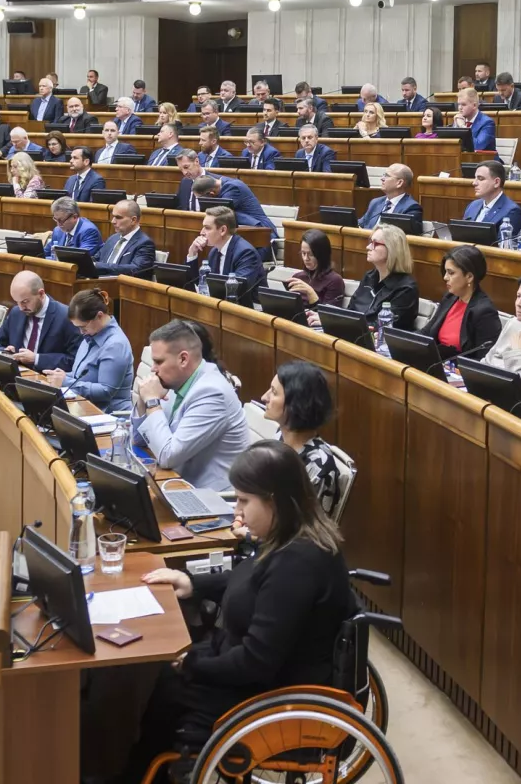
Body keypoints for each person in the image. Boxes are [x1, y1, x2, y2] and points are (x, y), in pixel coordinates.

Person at [128, 440, 351, 778]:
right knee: (161, 683)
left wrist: (194, 663)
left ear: (274, 501)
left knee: (167, 691)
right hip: (257, 666)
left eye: (245, 501)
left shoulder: (297, 565)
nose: (238, 512)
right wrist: (193, 583)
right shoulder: (290, 538)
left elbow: (254, 663)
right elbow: (250, 582)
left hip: (275, 693)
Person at [134, 320, 253, 490]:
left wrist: (152, 402)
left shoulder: (212, 392)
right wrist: (143, 398)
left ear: (183, 359)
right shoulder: (179, 381)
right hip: (178, 485)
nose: (153, 369)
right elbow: (139, 440)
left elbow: (168, 456)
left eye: (159, 362)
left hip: (212, 503)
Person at [259, 363, 344, 518]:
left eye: (274, 392)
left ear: (296, 404)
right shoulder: (280, 438)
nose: (264, 397)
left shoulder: (318, 464)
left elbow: (303, 532)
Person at [42, 290, 132, 414]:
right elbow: (82, 376)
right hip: (84, 407)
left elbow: (106, 391)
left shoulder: (115, 345)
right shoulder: (91, 334)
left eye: (83, 327)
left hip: (109, 416)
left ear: (99, 316)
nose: (81, 332)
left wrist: (66, 381)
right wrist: (58, 376)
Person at [0, 270, 78, 371]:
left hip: (46, 379)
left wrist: (37, 359)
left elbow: (74, 360)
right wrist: (5, 353)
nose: (21, 308)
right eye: (17, 302)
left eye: (25, 302)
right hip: (17, 374)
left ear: (41, 294)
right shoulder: (16, 313)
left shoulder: (65, 316)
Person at [421, 245, 501, 358]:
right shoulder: (449, 298)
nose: (445, 277)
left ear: (469, 277)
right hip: (435, 363)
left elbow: (483, 359)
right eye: (445, 272)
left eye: (451, 273)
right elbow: (426, 332)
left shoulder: (484, 312)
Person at [341, 225, 420, 331]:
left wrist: (347, 324)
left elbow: (385, 327)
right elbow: (351, 310)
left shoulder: (406, 289)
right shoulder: (368, 277)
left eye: (375, 243)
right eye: (370, 242)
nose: (368, 247)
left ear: (392, 249)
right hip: (354, 335)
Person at [186, 205, 266, 300]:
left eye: (207, 228)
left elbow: (236, 290)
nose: (201, 232)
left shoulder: (245, 253)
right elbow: (199, 283)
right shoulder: (214, 251)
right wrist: (192, 253)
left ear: (223, 230)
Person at [459, 160, 521, 235]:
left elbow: (504, 245)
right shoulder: (473, 205)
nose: (474, 183)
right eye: (475, 178)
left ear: (496, 182)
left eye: (480, 179)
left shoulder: (512, 211)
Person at [283, 230, 345, 307]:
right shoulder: (298, 277)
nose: (306, 258)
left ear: (322, 254)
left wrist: (310, 293)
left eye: (311, 254)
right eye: (303, 253)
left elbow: (328, 316)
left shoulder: (334, 281)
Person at [359, 164, 422, 229]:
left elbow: (404, 235)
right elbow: (361, 224)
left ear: (399, 183)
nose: (382, 179)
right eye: (383, 175)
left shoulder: (411, 208)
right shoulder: (375, 202)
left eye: (387, 176)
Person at [39, 196, 103, 255]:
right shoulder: (57, 230)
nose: (58, 224)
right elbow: (45, 253)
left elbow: (81, 258)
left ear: (75, 217)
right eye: (56, 219)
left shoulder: (89, 231)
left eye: (61, 220)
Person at [452, 87, 496, 153]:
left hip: (484, 161)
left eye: (463, 104)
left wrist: (462, 127)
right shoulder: (459, 120)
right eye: (458, 104)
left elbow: (478, 146)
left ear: (474, 105)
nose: (460, 108)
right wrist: (456, 125)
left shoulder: (487, 123)